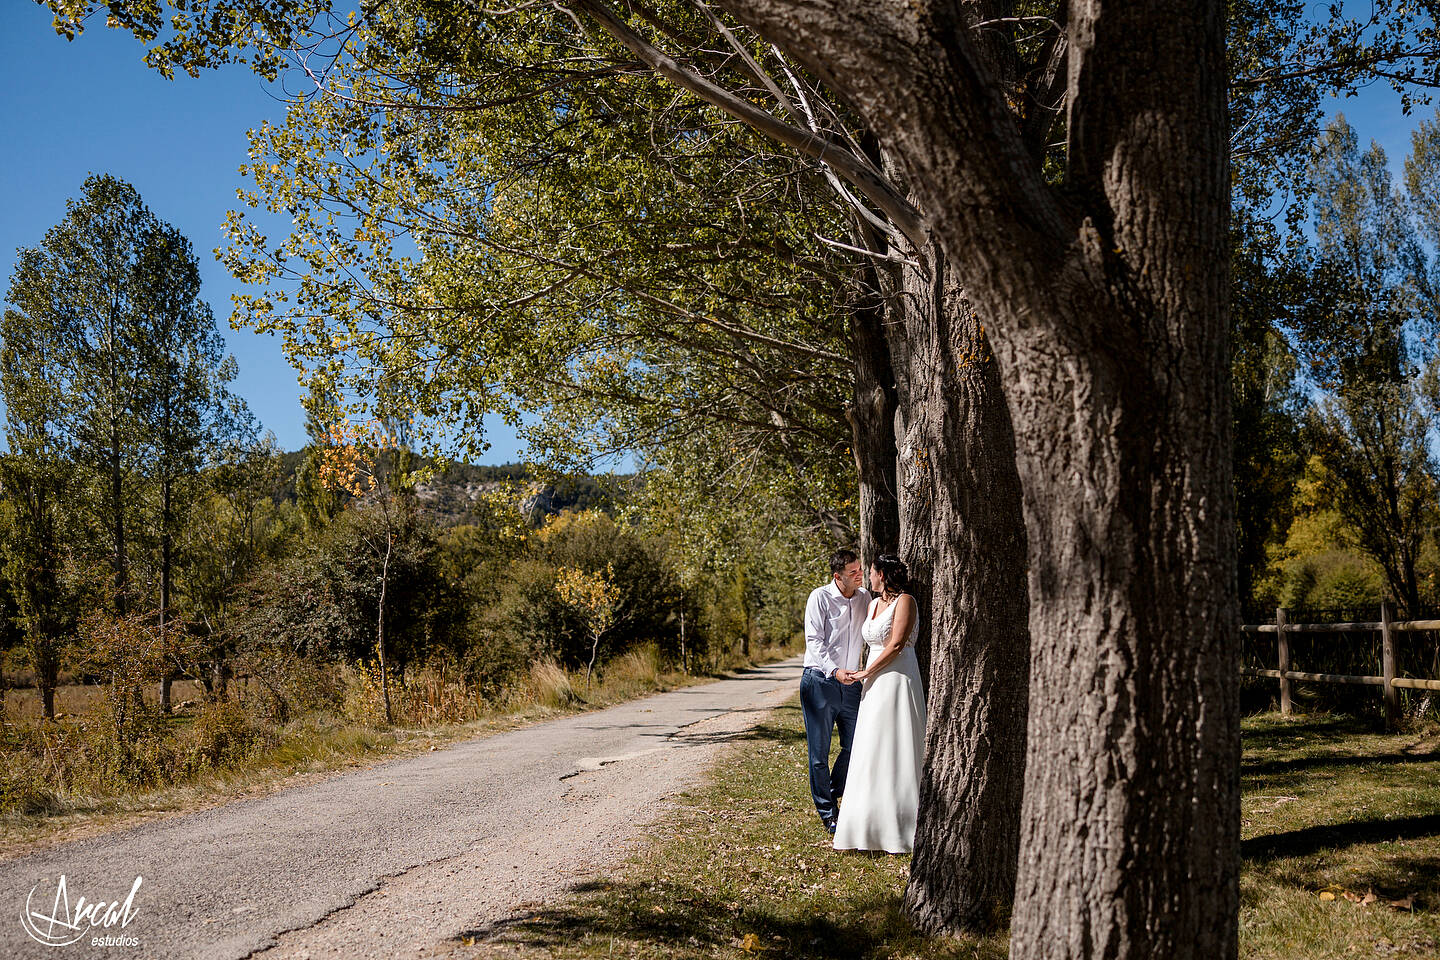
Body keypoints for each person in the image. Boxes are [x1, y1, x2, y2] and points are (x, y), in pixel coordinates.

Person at [832, 554, 927, 854]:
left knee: (897, 744)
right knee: (870, 747)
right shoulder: (872, 605)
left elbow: (896, 644)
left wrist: (866, 672)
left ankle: (901, 826)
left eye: (871, 572)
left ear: (883, 575)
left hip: (898, 679)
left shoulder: (906, 602)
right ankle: (866, 826)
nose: (867, 577)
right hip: (871, 684)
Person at [800, 548, 870, 835]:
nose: (859, 575)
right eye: (853, 572)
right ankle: (829, 813)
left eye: (860, 569)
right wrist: (835, 670)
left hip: (852, 685)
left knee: (855, 746)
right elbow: (814, 640)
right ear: (837, 576)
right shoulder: (820, 597)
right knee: (819, 753)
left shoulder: (865, 597)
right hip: (820, 682)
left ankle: (832, 790)